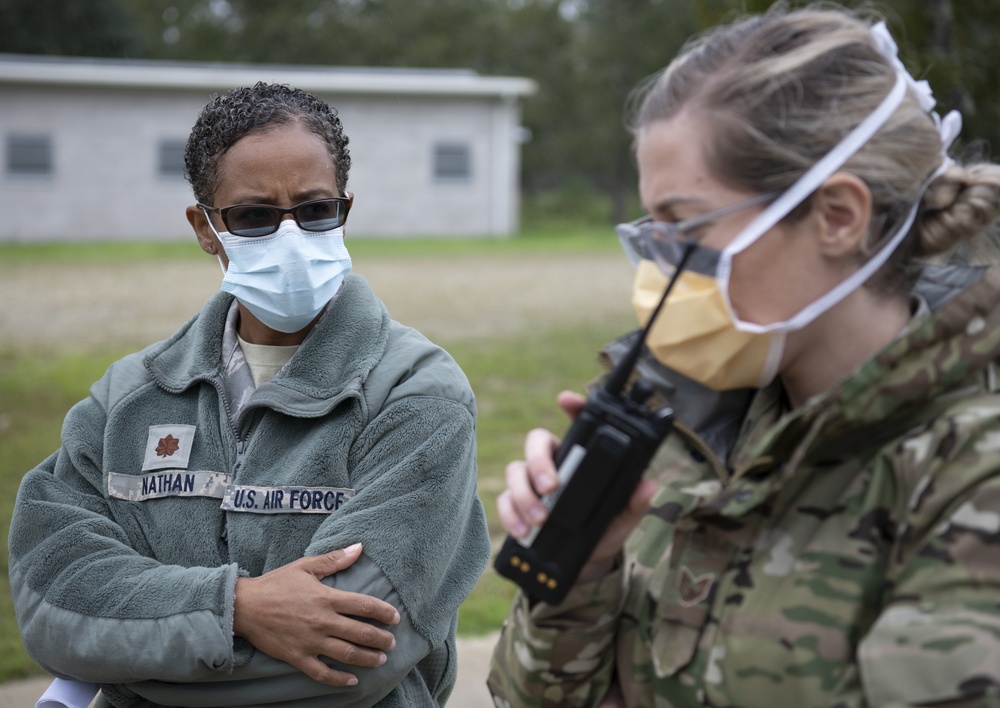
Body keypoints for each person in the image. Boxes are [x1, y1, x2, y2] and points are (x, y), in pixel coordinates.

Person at [488, 6, 1000, 707]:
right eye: (652, 235)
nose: (660, 275)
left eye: (686, 229)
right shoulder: (670, 425)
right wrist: (584, 565)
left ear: (837, 217)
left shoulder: (969, 471)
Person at [8, 82, 490, 707]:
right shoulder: (128, 400)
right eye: (255, 216)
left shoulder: (417, 397)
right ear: (206, 228)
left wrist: (127, 657)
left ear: (346, 209)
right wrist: (237, 608)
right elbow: (53, 600)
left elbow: (352, 659)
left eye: (316, 210)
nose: (292, 237)